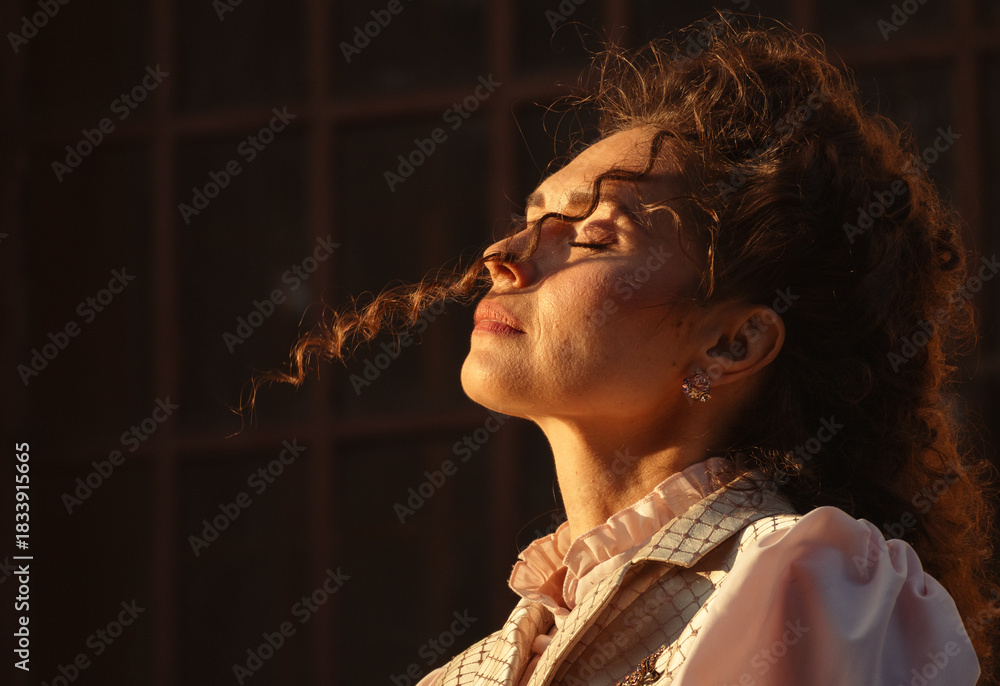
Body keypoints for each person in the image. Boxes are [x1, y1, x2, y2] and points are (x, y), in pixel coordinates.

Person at [258, 14, 998, 686]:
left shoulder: (816, 583)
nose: (501, 254)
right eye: (532, 217)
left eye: (593, 235)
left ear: (733, 340)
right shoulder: (465, 675)